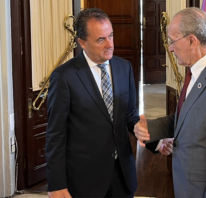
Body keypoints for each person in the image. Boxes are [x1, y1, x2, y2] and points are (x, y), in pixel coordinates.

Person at [134, 7, 206, 198]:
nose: (170, 48)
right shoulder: (195, 73)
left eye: (173, 41)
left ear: (191, 41)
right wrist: (149, 128)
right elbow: (188, 118)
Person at [46, 8, 140, 198]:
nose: (110, 44)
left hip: (122, 174)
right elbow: (56, 134)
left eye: (111, 36)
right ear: (82, 43)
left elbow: (130, 115)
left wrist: (155, 139)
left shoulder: (124, 67)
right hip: (84, 180)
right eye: (101, 40)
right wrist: (56, 184)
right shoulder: (64, 77)